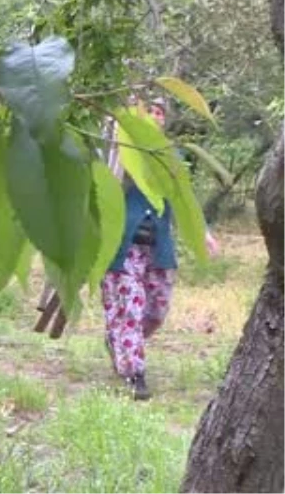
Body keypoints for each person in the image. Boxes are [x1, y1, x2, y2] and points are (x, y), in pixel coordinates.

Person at [102, 98, 220, 400]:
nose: (155, 116)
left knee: (155, 312)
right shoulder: (119, 152)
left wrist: (202, 233)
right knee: (131, 307)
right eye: (148, 110)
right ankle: (134, 373)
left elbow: (184, 200)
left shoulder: (172, 157)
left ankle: (119, 339)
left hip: (158, 250)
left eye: (159, 112)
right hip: (122, 248)